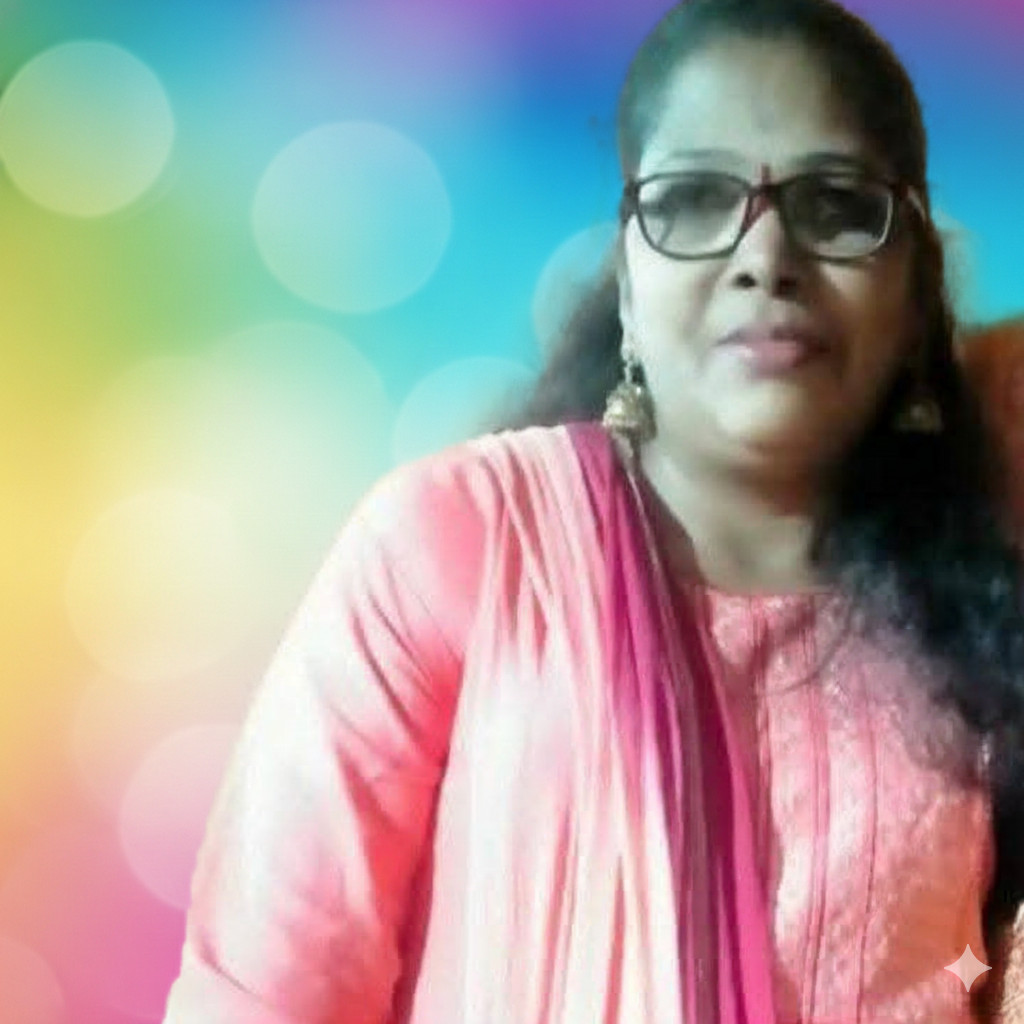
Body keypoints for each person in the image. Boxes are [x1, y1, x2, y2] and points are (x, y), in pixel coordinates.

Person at [160, 0, 1024, 1020]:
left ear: (915, 289)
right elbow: (264, 990)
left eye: (835, 205)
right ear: (627, 289)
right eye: (693, 200)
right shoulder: (461, 544)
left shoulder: (979, 609)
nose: (766, 256)